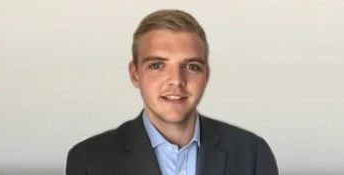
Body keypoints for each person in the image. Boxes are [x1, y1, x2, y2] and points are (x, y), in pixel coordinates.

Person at [65, 9, 278, 175]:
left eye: (191, 66)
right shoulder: (88, 160)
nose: (176, 81)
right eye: (157, 65)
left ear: (206, 75)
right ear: (135, 74)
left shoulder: (253, 153)